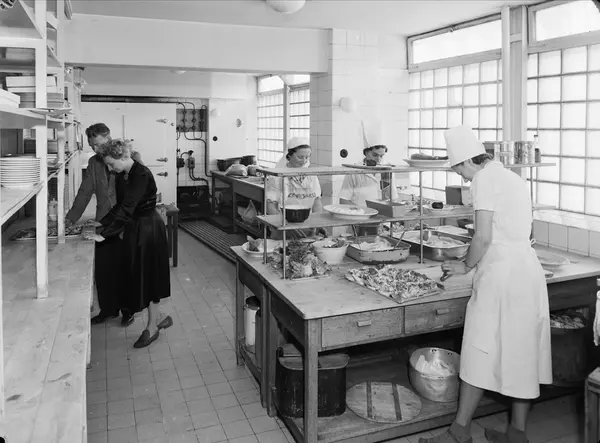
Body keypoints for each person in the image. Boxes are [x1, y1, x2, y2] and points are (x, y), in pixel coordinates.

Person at [420, 126, 552, 443]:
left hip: (502, 278)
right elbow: (510, 230)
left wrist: (465, 265)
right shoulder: (511, 177)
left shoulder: (483, 179)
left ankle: (459, 432)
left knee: (477, 348)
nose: (464, 179)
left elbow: (482, 236)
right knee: (522, 351)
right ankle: (516, 433)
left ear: (468, 161)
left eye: (460, 171)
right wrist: (472, 257)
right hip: (527, 273)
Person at [84, 139, 172, 348]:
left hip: (149, 229)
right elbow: (121, 206)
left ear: (122, 157)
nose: (109, 168)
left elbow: (127, 208)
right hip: (136, 227)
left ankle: (152, 327)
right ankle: (159, 317)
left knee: (150, 276)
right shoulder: (124, 174)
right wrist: (102, 222)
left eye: (110, 163)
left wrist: (105, 235)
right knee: (141, 274)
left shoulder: (141, 175)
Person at [66, 123, 135, 326]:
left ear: (109, 138)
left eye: (98, 144)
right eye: (92, 145)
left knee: (125, 268)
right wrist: (71, 218)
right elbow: (85, 192)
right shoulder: (94, 163)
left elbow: (135, 193)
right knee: (104, 270)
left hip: (125, 223)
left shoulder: (126, 157)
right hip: (103, 222)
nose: (96, 149)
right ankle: (108, 310)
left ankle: (128, 310)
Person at [266, 137, 325, 239]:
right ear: (289, 155)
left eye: (307, 157)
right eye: (300, 157)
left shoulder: (311, 176)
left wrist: (318, 224)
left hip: (307, 227)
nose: (304, 161)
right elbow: (270, 207)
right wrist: (286, 226)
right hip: (282, 229)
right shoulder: (276, 176)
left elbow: (316, 202)